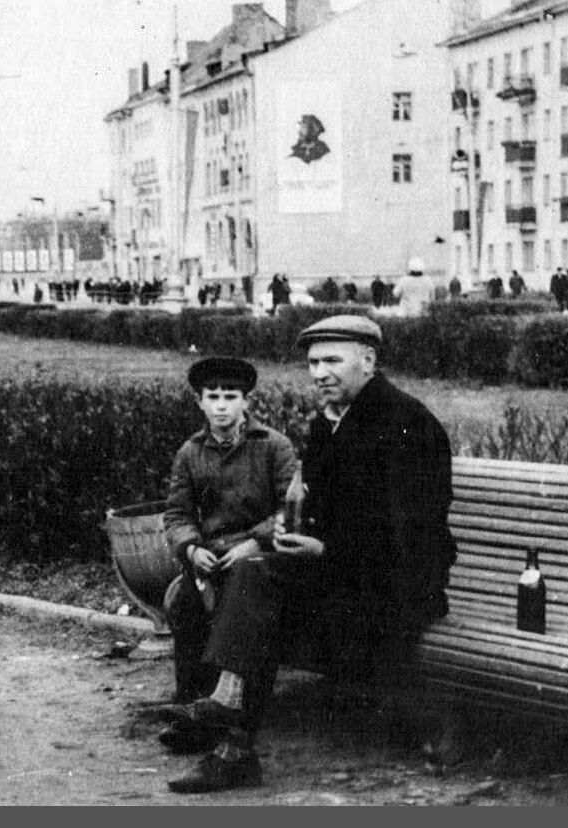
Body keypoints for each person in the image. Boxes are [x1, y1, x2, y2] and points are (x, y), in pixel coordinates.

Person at [163, 315, 456, 794]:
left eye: (332, 361)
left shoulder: (408, 424)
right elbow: (320, 508)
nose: (320, 373)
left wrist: (325, 547)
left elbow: (417, 536)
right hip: (343, 573)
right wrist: (292, 530)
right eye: (314, 363)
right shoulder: (329, 422)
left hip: (399, 585)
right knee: (255, 573)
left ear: (369, 360)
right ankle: (232, 734)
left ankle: (230, 725)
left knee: (259, 589)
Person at [160, 357, 298, 747]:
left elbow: (291, 509)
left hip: (261, 558)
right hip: (212, 556)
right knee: (186, 604)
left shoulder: (273, 446)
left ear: (246, 401)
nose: (221, 406)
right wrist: (191, 549)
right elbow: (177, 514)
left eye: (230, 397)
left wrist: (256, 541)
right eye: (213, 397)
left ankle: (227, 712)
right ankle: (191, 708)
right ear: (199, 402)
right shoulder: (190, 452)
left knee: (240, 587)